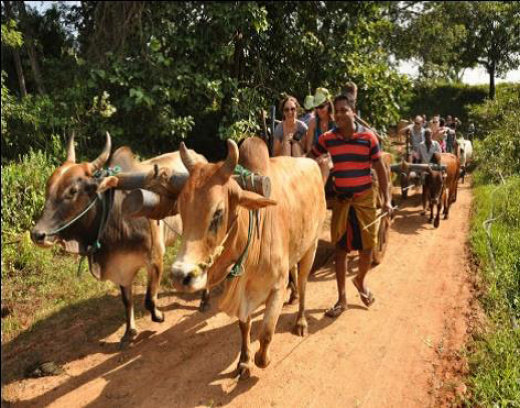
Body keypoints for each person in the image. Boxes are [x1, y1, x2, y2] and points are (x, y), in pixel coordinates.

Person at [308, 93, 392, 318]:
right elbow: (310, 157)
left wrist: (387, 200)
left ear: (353, 111)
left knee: (367, 249)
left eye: (345, 110)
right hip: (342, 201)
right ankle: (342, 299)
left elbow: (380, 169)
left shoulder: (368, 138)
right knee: (341, 250)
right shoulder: (327, 139)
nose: (340, 114)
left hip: (365, 200)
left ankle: (360, 280)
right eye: (337, 111)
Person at [304, 87, 335, 182]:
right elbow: (309, 146)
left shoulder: (335, 122)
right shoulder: (313, 122)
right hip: (316, 155)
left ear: (328, 105)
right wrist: (315, 158)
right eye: (316, 107)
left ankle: (320, 190)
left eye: (321, 106)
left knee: (324, 163)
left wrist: (325, 156)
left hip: (332, 157)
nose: (319, 110)